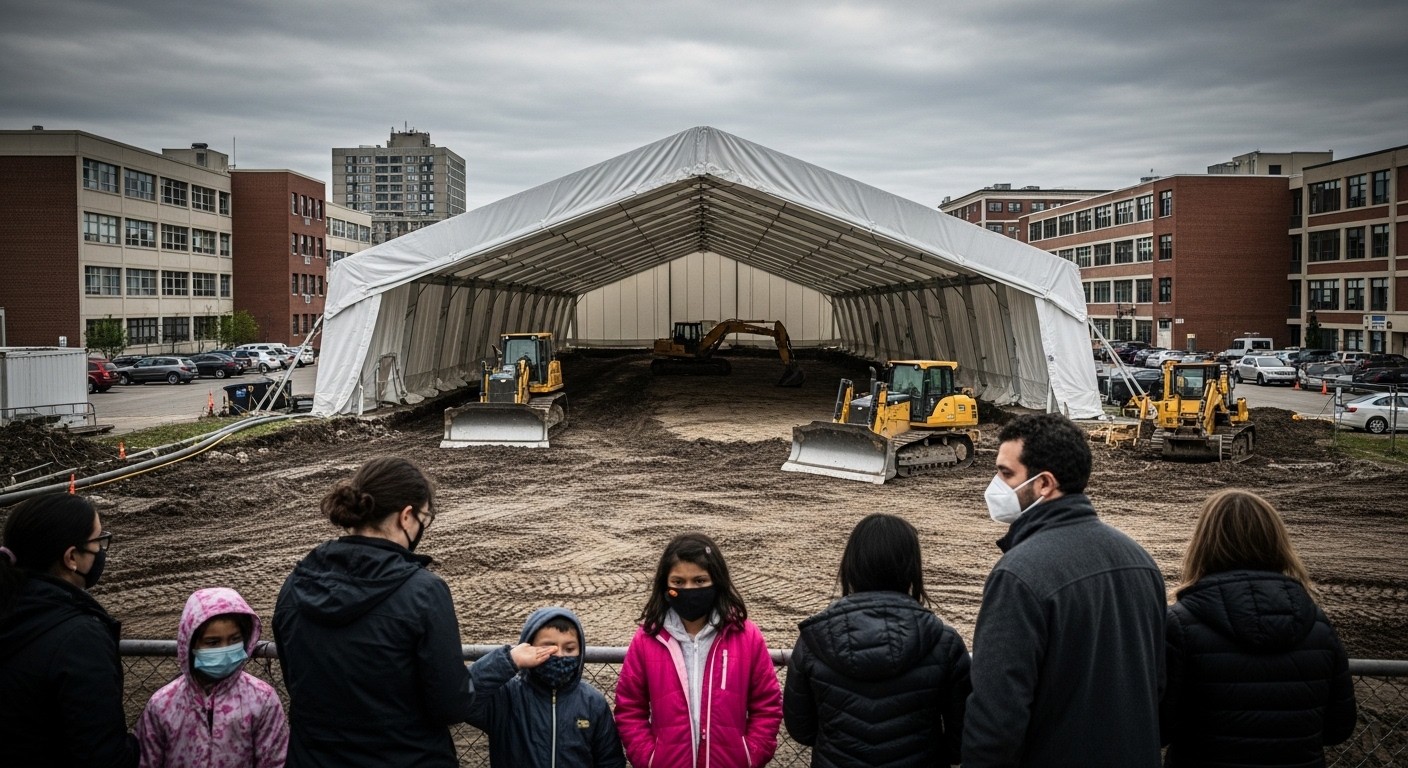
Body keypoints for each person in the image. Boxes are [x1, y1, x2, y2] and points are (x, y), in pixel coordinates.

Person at [963, 412, 1166, 767]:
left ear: (1044, 484)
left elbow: (997, 713)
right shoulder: (1141, 562)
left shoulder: (1019, 575)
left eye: (1006, 474)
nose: (995, 485)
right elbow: (1157, 685)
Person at [273, 456, 474, 767]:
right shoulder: (425, 592)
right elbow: (450, 704)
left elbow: (295, 679)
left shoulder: (295, 584)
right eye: (424, 518)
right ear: (406, 516)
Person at [1161, 489, 1357, 766]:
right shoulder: (1318, 626)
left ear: (1203, 544)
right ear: (1277, 542)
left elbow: (1160, 725)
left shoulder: (1179, 625)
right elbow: (1339, 727)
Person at [784, 513, 971, 766]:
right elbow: (961, 737)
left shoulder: (814, 641)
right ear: (911, 568)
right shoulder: (944, 643)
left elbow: (801, 729)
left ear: (851, 565)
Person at [614, 532, 783, 768]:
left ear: (717, 581)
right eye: (678, 582)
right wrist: (649, 758)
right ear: (665, 584)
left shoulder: (746, 636)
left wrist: (749, 755)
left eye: (700, 581)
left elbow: (767, 705)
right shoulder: (646, 640)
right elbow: (629, 707)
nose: (689, 589)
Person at [0, 492, 139, 767]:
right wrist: (141, 744)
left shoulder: (12, 609)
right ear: (72, 557)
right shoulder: (80, 639)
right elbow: (102, 756)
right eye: (98, 541)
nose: (101, 550)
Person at [135, 586, 289, 767]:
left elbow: (275, 762)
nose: (225, 650)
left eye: (234, 640)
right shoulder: (162, 705)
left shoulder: (262, 699)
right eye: (213, 642)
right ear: (190, 644)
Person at [466, 606, 624, 767]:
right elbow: (463, 697)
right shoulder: (507, 696)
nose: (559, 655)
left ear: (580, 650)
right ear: (528, 646)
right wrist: (509, 659)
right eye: (548, 647)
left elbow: (610, 760)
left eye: (569, 649)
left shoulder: (593, 702)